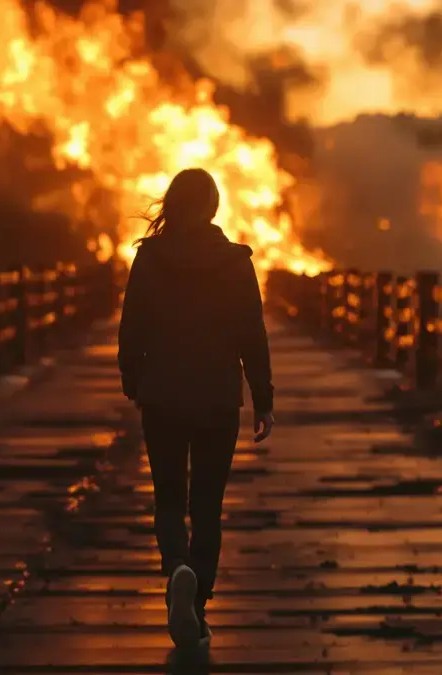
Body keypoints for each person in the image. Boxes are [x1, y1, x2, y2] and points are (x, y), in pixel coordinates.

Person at [117, 167, 275, 650]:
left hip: (162, 395)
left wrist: (133, 380)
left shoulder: (148, 259)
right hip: (217, 399)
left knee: (167, 498)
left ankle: (177, 571)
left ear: (172, 203)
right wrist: (262, 397)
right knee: (207, 506)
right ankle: (198, 604)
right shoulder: (235, 262)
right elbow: (252, 333)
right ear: (212, 207)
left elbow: (132, 327)